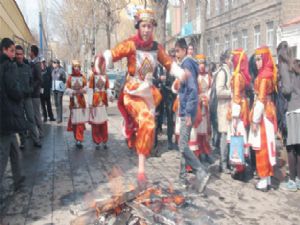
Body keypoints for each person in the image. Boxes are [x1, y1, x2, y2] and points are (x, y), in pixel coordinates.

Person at [94, 8, 187, 187]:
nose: (146, 30)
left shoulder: (156, 48)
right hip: (132, 91)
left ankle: (131, 128)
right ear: (138, 26)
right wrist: (102, 60)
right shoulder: (130, 44)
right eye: (144, 26)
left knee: (148, 125)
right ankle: (141, 171)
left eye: (150, 26)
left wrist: (180, 74)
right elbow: (112, 53)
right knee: (146, 120)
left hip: (148, 92)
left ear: (153, 28)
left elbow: (169, 63)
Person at [174, 38, 210, 192]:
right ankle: (182, 176)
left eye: (177, 51)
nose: (176, 54)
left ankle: (200, 171)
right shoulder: (186, 64)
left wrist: (188, 113)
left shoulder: (187, 64)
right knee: (184, 144)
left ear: (183, 50)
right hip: (187, 110)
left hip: (187, 112)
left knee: (182, 145)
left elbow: (192, 90)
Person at [249, 46, 277, 191]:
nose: (256, 62)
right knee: (268, 146)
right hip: (268, 113)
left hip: (263, 116)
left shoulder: (264, 77)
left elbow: (260, 100)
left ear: (265, 59)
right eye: (256, 60)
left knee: (262, 148)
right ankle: (267, 179)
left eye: (259, 59)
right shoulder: (268, 73)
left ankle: (264, 179)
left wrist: (254, 120)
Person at [0, 38, 26, 192]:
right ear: (4, 49)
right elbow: (13, 90)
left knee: (14, 149)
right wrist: (21, 92)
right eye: (11, 51)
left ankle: (19, 180)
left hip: (5, 116)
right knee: (3, 156)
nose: (14, 55)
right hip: (5, 117)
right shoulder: (8, 66)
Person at [278, 41, 300, 192]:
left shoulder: (284, 66)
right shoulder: (297, 65)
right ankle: (298, 179)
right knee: (298, 147)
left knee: (291, 147)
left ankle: (291, 181)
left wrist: (279, 85)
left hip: (292, 108)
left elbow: (287, 89)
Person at [226, 49, 251, 178]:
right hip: (242, 109)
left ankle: (239, 169)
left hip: (237, 112)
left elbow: (236, 97)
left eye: (232, 58)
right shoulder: (241, 74)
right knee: (241, 138)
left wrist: (235, 118)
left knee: (237, 138)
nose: (230, 61)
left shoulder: (236, 76)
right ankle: (241, 167)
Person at [15, 45, 42, 149]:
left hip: (27, 98)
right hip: (17, 99)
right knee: (20, 119)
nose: (19, 56)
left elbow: (33, 81)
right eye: (17, 54)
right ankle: (22, 141)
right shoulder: (12, 67)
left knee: (31, 118)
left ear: (23, 55)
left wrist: (30, 89)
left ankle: (36, 140)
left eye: (20, 54)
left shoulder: (27, 67)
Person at [190, 54, 213, 165]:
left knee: (205, 130)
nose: (201, 66)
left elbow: (211, 89)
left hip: (206, 106)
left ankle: (205, 152)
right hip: (197, 106)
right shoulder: (194, 76)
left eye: (203, 63)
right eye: (199, 64)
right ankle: (197, 153)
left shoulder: (208, 77)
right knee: (197, 130)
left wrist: (207, 97)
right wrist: (199, 98)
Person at [216, 50, 232, 173]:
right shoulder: (222, 72)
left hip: (228, 109)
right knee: (224, 135)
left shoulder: (228, 71)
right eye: (231, 58)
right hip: (223, 108)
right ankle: (223, 164)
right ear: (226, 59)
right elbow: (219, 91)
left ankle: (228, 162)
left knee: (228, 136)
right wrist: (231, 93)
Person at [88, 64, 110, 150]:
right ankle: (97, 141)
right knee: (96, 124)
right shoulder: (93, 76)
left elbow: (107, 88)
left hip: (103, 103)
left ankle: (104, 141)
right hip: (95, 103)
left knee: (104, 123)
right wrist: (90, 102)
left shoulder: (105, 76)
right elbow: (90, 89)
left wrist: (110, 95)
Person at [65, 60, 87, 149]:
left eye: (78, 66)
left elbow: (87, 86)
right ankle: (76, 137)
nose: (77, 68)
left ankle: (79, 139)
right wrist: (73, 91)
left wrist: (83, 90)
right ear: (73, 67)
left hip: (81, 103)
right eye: (75, 66)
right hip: (73, 103)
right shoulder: (70, 78)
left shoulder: (83, 77)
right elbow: (66, 89)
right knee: (75, 122)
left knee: (80, 122)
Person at [29, 45, 43, 138]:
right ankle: (33, 133)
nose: (29, 53)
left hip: (35, 94)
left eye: (30, 51)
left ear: (33, 52)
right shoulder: (31, 63)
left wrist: (32, 88)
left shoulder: (37, 64)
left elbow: (39, 79)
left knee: (36, 115)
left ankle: (41, 133)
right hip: (31, 93)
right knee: (31, 115)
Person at [52, 59, 66, 124]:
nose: (53, 64)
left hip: (60, 89)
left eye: (54, 63)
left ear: (57, 64)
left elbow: (64, 80)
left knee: (59, 103)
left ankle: (59, 118)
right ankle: (58, 116)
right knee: (56, 103)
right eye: (53, 63)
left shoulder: (62, 71)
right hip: (54, 89)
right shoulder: (53, 71)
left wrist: (61, 86)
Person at [40, 58, 55, 122]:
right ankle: (45, 117)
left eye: (44, 62)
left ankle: (51, 116)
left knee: (49, 104)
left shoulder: (48, 70)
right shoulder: (38, 70)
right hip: (41, 90)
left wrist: (51, 87)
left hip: (47, 89)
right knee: (42, 105)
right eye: (42, 63)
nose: (43, 64)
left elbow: (51, 78)